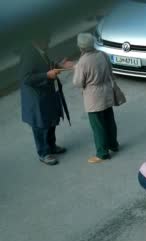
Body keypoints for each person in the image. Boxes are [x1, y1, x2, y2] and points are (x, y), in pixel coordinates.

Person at [20, 34, 74, 165]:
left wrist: (59, 65)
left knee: (51, 120)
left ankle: (51, 146)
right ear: (36, 40)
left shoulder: (40, 50)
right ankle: (44, 153)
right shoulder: (29, 54)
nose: (49, 42)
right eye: (46, 39)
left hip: (48, 94)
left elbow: (47, 64)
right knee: (40, 125)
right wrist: (46, 75)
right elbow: (26, 78)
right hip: (37, 98)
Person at [72, 33, 120, 164]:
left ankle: (102, 153)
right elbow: (110, 70)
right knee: (109, 120)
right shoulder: (102, 54)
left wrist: (76, 70)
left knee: (98, 126)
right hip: (107, 91)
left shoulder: (83, 62)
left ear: (80, 47)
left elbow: (77, 82)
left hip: (93, 97)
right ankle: (113, 145)